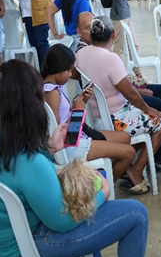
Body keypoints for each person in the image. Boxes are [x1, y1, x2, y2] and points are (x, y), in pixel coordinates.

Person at [0, 59, 149, 257]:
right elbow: (63, 221)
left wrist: (49, 149)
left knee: (79, 192)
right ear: (36, 104)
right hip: (23, 253)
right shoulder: (32, 166)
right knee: (136, 214)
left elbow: (20, 173)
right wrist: (102, 193)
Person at [75, 16, 161, 195]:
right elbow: (131, 94)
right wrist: (148, 110)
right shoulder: (110, 58)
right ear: (113, 35)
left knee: (148, 120)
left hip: (98, 119)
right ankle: (135, 170)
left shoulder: (81, 54)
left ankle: (130, 165)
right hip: (117, 119)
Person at [42, 44, 136, 181]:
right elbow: (58, 132)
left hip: (74, 138)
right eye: (68, 70)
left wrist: (77, 104)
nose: (70, 75)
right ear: (58, 67)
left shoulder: (51, 88)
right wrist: (78, 110)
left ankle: (108, 173)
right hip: (70, 146)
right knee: (129, 153)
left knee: (125, 138)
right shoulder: (52, 93)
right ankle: (104, 188)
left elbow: (62, 119)